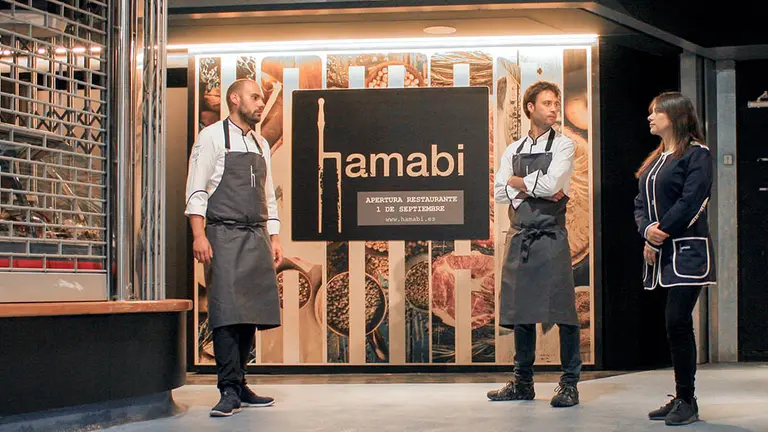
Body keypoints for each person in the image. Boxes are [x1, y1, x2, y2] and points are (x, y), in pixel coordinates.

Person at [185, 79, 283, 417]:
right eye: (255, 97)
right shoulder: (211, 137)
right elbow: (196, 191)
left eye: (261, 98)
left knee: (251, 313)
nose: (260, 104)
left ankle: (240, 383)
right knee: (227, 312)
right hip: (222, 234)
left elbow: (268, 196)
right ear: (234, 98)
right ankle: (226, 388)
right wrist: (199, 235)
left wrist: (274, 236)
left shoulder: (260, 143)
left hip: (255, 235)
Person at [487, 81, 581, 408]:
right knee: (520, 310)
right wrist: (530, 186)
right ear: (530, 108)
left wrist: (517, 183)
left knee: (564, 312)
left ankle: (569, 384)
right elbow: (499, 192)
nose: (554, 108)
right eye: (547, 103)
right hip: (520, 237)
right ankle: (522, 382)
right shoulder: (512, 150)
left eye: (556, 103)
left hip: (551, 237)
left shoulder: (564, 146)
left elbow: (554, 183)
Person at [634, 92, 714, 426]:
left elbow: (693, 200)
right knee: (673, 324)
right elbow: (639, 202)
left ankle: (687, 400)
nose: (650, 117)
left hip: (687, 253)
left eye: (656, 112)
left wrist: (661, 231)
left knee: (677, 321)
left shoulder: (697, 154)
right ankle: (681, 397)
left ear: (675, 115)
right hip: (661, 252)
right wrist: (647, 230)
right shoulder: (655, 159)